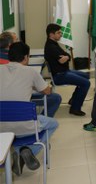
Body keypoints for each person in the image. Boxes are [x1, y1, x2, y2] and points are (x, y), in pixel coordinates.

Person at [0, 42, 59, 176]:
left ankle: (17, 150)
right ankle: (28, 150)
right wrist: (34, 85)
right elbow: (47, 91)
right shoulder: (30, 72)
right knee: (53, 124)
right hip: (25, 126)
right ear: (26, 57)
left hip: (1, 128)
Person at [0, 31, 61, 117]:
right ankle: (39, 121)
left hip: (3, 114)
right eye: (16, 39)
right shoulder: (29, 71)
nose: (19, 41)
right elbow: (46, 91)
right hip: (21, 115)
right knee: (55, 98)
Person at [44, 23, 90, 116]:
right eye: (58, 33)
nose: (60, 34)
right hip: (59, 75)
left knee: (86, 76)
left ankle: (74, 100)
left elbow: (67, 55)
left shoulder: (54, 43)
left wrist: (66, 57)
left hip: (64, 71)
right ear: (51, 34)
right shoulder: (51, 47)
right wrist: (65, 58)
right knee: (86, 83)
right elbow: (61, 61)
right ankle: (75, 108)